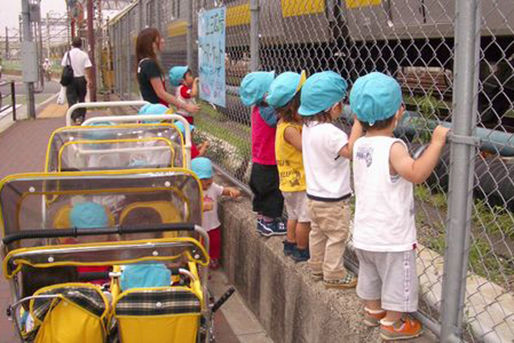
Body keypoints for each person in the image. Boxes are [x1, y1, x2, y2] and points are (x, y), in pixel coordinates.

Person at [349, 72, 449, 340]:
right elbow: (416, 173)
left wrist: (360, 119)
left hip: (364, 233)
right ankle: (392, 323)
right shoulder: (394, 147)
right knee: (396, 279)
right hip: (392, 236)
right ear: (399, 113)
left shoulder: (358, 145)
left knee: (369, 273)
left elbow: (356, 132)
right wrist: (436, 143)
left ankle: (373, 311)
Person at [298, 71, 362, 288]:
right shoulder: (332, 133)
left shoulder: (308, 128)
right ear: (333, 107)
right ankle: (334, 274)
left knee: (317, 233)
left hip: (313, 197)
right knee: (336, 236)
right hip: (333, 200)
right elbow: (350, 151)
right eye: (342, 103)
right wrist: (358, 125)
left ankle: (316, 266)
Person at [267, 71, 311, 262]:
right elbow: (305, 147)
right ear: (294, 106)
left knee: (293, 214)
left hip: (289, 182)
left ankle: (290, 242)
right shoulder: (291, 129)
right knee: (304, 218)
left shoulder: (284, 124)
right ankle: (302, 249)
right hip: (298, 182)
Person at [239, 71, 286, 237]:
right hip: (269, 160)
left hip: (261, 159)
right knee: (272, 192)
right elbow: (277, 120)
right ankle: (268, 223)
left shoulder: (259, 108)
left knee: (262, 192)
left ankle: (262, 218)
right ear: (265, 94)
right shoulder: (267, 110)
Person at [136, 28, 200, 114]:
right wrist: (186, 106)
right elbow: (161, 93)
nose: (163, 41)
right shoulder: (150, 64)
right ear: (152, 44)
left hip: (151, 110)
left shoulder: (142, 63)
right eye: (159, 39)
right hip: (157, 111)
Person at [191, 157, 240, 269]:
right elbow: (189, 208)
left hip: (213, 225)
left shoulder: (213, 187)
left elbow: (222, 190)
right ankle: (200, 266)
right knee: (199, 246)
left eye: (209, 182)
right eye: (202, 182)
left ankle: (213, 260)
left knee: (214, 244)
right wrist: (201, 207)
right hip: (198, 227)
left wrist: (231, 191)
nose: (206, 186)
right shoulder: (192, 190)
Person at [61, 37, 92, 125]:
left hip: (71, 80)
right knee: (82, 98)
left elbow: (63, 66)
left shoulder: (67, 54)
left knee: (71, 99)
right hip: (81, 79)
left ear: (72, 44)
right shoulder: (84, 54)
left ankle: (75, 117)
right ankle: (82, 116)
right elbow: (88, 67)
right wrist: (89, 80)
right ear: (81, 44)